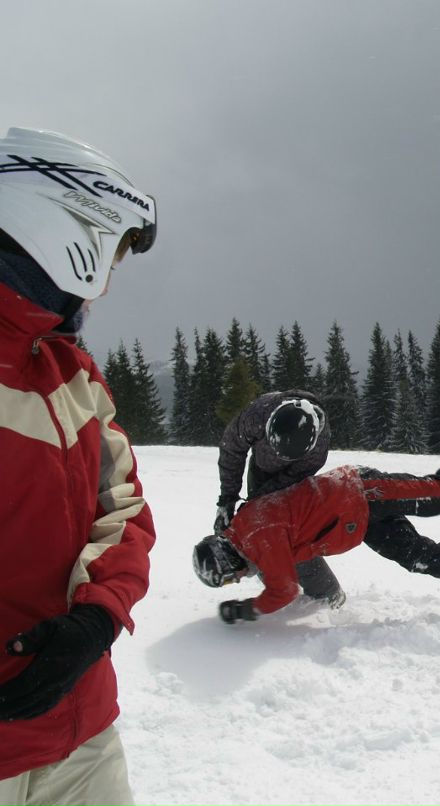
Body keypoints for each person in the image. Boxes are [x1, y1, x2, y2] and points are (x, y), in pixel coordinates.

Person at [0, 128, 158, 805]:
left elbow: (123, 507)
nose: (107, 283)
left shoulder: (72, 374)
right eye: (110, 257)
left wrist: (98, 616)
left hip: (83, 731)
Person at [193, 434, 440, 623]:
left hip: (362, 491)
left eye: (229, 577)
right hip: (357, 519)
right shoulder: (247, 536)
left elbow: (283, 590)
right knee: (412, 555)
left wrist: (243, 609)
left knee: (438, 494)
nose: (236, 580)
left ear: (227, 561)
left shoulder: (258, 537)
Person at [215, 391, 345, 607]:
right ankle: (275, 586)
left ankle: (326, 594)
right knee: (257, 535)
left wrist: (256, 506)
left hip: (291, 483)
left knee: (290, 535)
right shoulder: (257, 414)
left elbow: (291, 479)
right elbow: (232, 451)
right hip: (260, 470)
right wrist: (228, 499)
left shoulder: (317, 449)